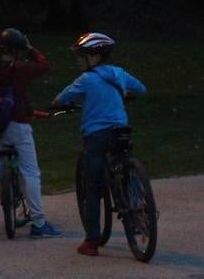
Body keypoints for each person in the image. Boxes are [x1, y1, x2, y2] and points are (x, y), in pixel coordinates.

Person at [51, 32, 146, 257]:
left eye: (81, 56)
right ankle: (137, 210)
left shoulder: (86, 79)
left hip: (97, 136)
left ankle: (92, 242)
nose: (78, 60)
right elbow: (141, 89)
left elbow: (61, 99)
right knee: (124, 168)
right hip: (121, 132)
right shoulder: (118, 73)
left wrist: (56, 104)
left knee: (92, 189)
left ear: (94, 56)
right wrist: (127, 95)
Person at [0, 28, 62, 237]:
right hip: (18, 125)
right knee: (31, 172)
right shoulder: (18, 69)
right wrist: (31, 49)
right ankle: (38, 223)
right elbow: (44, 67)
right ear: (17, 50)